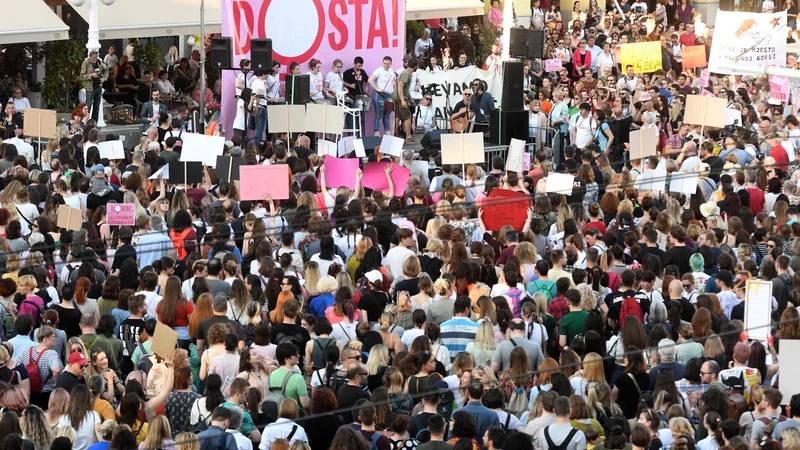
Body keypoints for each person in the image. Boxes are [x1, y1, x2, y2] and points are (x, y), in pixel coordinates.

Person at [79, 50, 109, 122]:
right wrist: (91, 75)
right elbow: (82, 76)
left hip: (98, 86)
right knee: (87, 106)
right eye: (93, 58)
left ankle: (94, 123)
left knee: (97, 107)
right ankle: (84, 122)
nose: (94, 59)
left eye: (96, 58)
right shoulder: (86, 63)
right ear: (90, 56)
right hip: (90, 88)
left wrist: (104, 78)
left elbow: (106, 70)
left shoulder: (98, 62)